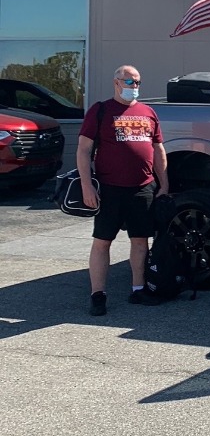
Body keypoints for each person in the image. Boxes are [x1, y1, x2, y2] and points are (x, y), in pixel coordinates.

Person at [77, 65, 169, 315]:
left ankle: (138, 289)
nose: (134, 87)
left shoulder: (148, 112)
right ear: (116, 82)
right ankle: (98, 294)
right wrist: (87, 185)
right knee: (102, 242)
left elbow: (158, 150)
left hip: (142, 188)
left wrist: (164, 183)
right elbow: (84, 150)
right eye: (129, 82)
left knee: (140, 241)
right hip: (109, 189)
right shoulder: (101, 110)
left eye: (137, 82)